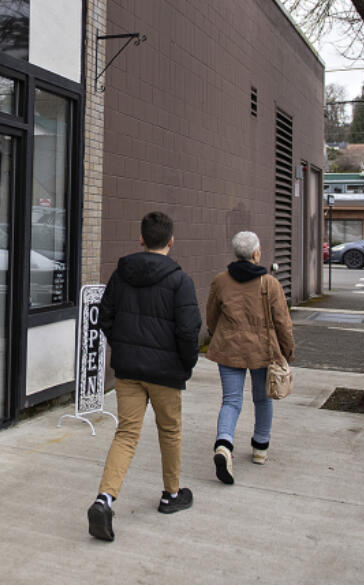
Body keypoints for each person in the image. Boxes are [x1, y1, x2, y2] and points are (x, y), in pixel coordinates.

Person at [87, 211, 202, 542]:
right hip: (166, 373)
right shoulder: (181, 281)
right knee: (170, 431)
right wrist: (187, 364)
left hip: (129, 370)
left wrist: (122, 348)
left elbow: (105, 317)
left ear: (140, 238)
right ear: (171, 241)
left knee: (126, 434)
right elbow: (188, 329)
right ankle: (171, 494)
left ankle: (104, 499)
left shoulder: (121, 275)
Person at [204, 230, 294, 484]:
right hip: (262, 350)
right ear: (256, 253)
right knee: (263, 399)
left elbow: (211, 315)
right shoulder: (270, 283)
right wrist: (287, 350)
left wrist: (217, 334)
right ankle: (260, 449)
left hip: (229, 347)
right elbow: (283, 322)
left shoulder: (220, 281)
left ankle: (224, 444)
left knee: (231, 400)